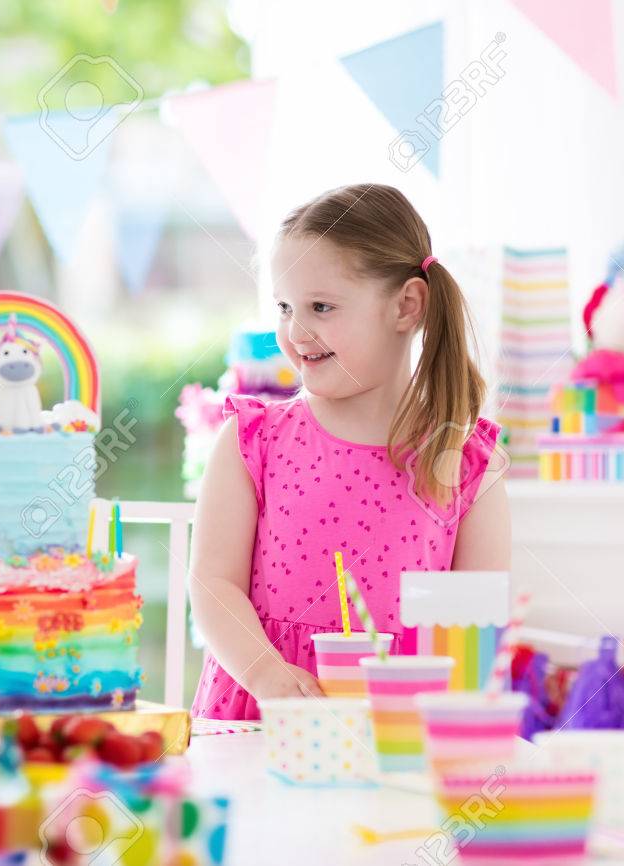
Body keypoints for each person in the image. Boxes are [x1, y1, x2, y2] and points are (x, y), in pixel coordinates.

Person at [188, 183, 510, 720]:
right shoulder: (253, 442)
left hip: (400, 730)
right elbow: (212, 581)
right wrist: (265, 673)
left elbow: (475, 624)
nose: (296, 331)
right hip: (264, 719)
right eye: (286, 307)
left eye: (321, 307)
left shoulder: (469, 464)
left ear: (406, 306)